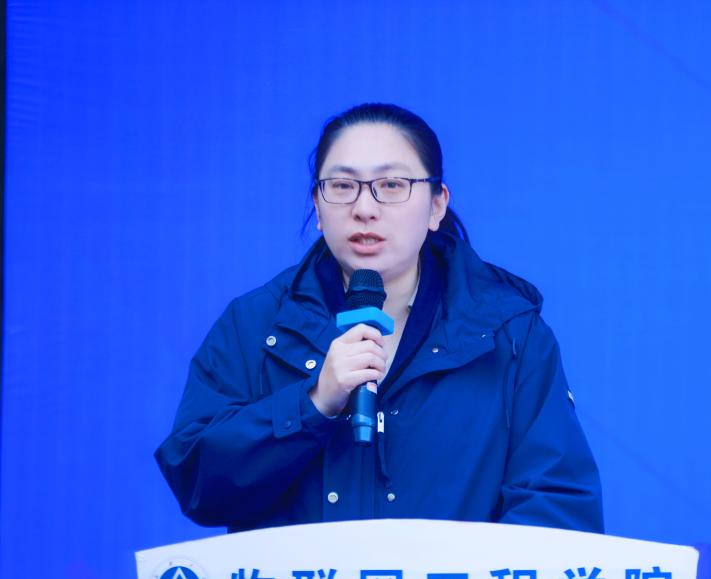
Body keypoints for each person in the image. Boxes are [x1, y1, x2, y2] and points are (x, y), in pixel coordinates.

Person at [155, 103, 603, 534]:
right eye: (342, 186)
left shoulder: (510, 333)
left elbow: (557, 504)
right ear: (317, 206)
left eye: (391, 185)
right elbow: (197, 483)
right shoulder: (254, 325)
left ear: (436, 205)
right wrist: (313, 403)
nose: (365, 208)